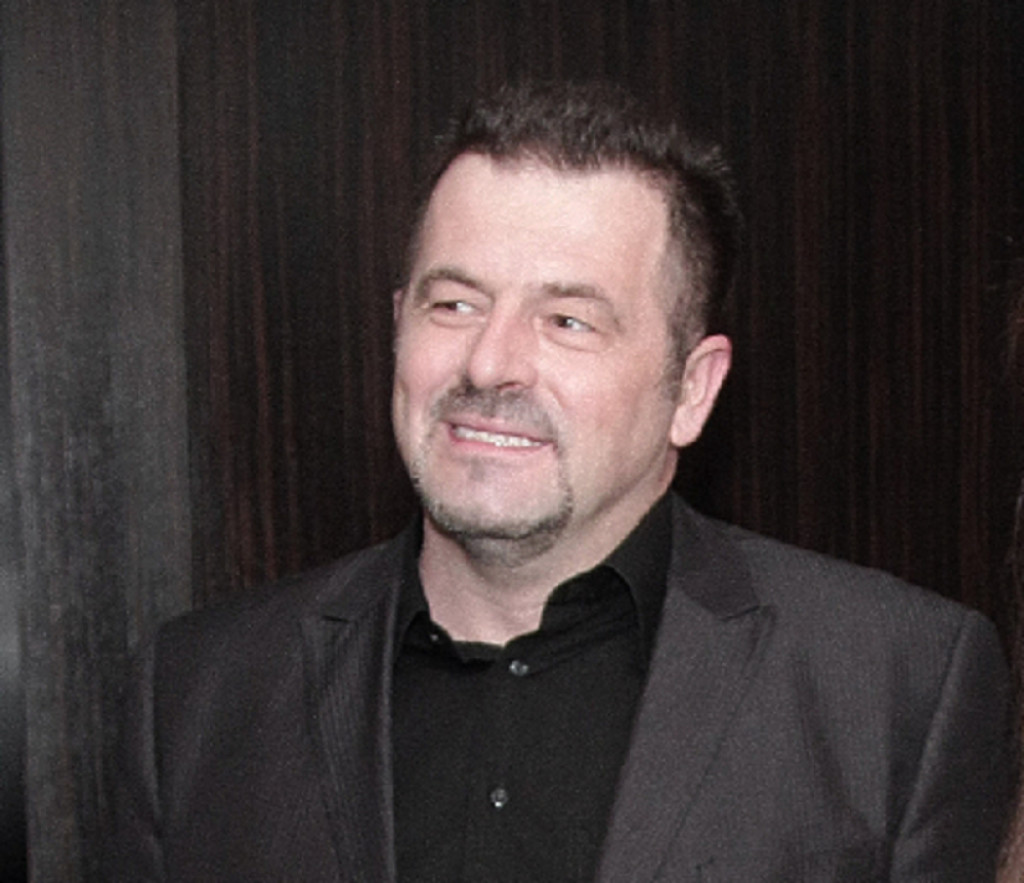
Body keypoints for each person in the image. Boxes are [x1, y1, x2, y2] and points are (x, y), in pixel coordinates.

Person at [107, 81, 1011, 882]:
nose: (490, 362)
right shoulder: (196, 699)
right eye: (454, 303)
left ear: (691, 390)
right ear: (398, 325)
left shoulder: (895, 689)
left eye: (569, 320)